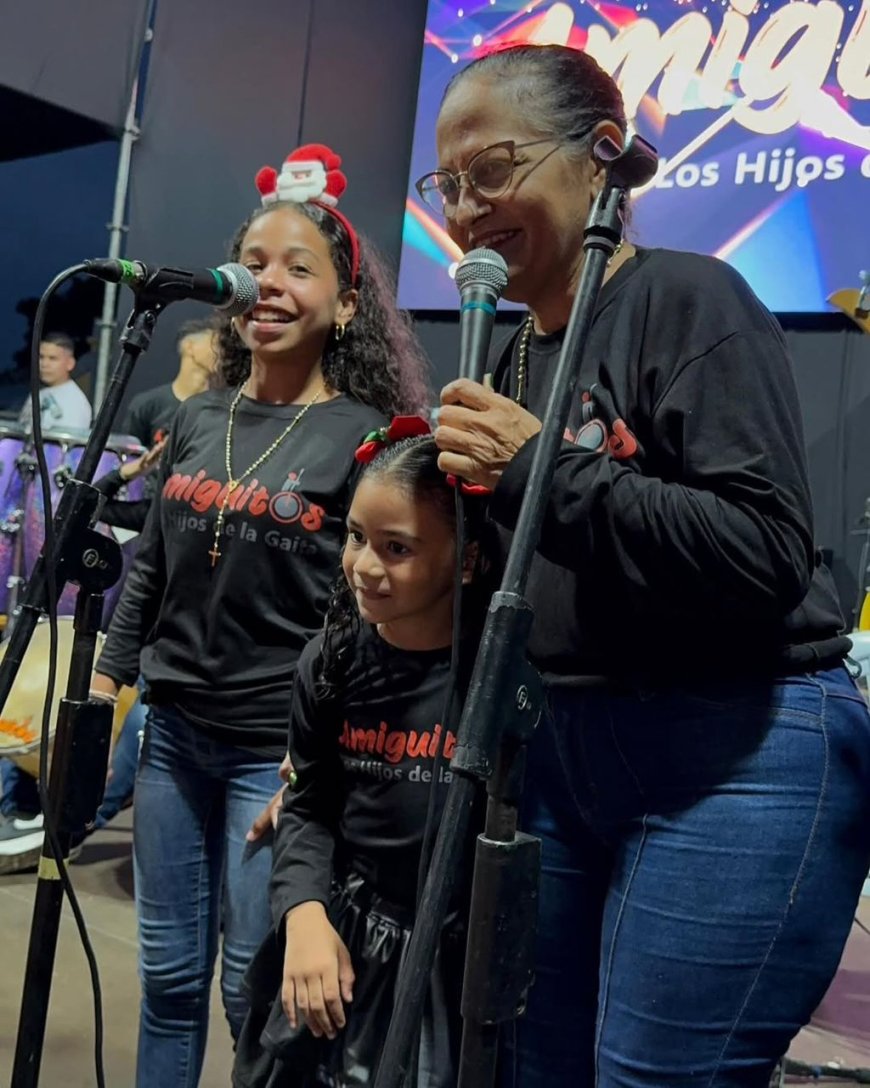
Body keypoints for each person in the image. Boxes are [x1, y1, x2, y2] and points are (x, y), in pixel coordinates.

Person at [418, 44, 870, 1088]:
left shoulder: (691, 297)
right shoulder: (511, 356)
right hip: (564, 752)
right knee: (532, 1067)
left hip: (733, 745)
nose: (468, 209)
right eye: (448, 185)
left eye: (493, 170)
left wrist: (540, 468)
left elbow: (762, 550)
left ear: (602, 157)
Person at [91, 143, 431, 1087]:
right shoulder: (198, 419)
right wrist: (106, 689)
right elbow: (151, 574)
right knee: (167, 980)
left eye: (298, 268)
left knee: (254, 990)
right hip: (171, 737)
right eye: (254, 264)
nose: (268, 284)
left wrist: (315, 762)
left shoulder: (364, 436)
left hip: (271, 755)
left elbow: (366, 617)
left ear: (347, 305)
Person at [233, 426, 494, 1088]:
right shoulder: (329, 661)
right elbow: (309, 803)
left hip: (453, 967)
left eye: (396, 548)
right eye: (355, 537)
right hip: (346, 938)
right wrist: (303, 913)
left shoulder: (498, 683)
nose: (364, 566)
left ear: (467, 559)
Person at [17, 331, 92, 432]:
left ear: (70, 363)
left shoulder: (75, 404)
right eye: (41, 357)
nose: (44, 364)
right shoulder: (40, 393)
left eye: (52, 358)